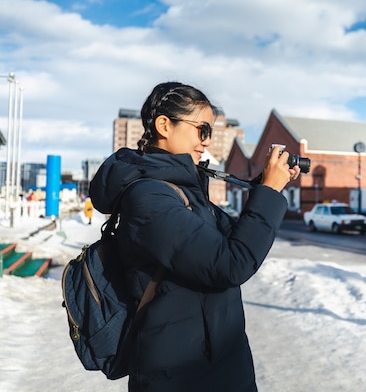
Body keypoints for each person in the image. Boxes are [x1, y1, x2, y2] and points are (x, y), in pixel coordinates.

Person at [89, 81, 300, 392]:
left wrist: (263, 187)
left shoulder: (183, 189)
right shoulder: (149, 197)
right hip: (180, 374)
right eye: (202, 129)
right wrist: (268, 191)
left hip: (217, 363)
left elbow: (234, 239)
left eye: (210, 131)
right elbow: (231, 264)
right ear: (164, 125)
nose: (207, 141)